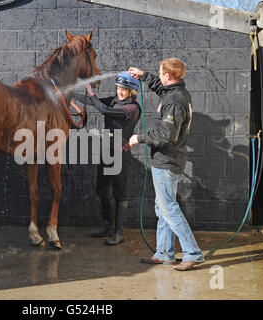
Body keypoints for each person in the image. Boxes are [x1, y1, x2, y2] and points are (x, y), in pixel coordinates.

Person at [128, 58, 204, 271]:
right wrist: (143, 76)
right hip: (168, 159)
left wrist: (139, 138)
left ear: (168, 75)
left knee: (169, 208)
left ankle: (193, 253)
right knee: (162, 208)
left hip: (167, 160)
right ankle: (164, 253)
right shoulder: (176, 92)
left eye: (160, 73)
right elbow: (162, 90)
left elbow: (166, 134)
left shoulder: (175, 100)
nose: (159, 76)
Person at [74, 71, 141, 245]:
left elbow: (104, 109)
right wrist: (68, 93)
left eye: (124, 89)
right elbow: (91, 101)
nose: (120, 91)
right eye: (119, 88)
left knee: (120, 193)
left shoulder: (132, 109)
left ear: (132, 91)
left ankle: (119, 233)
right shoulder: (113, 100)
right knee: (102, 190)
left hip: (120, 153)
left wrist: (91, 91)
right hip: (105, 151)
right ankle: (106, 227)